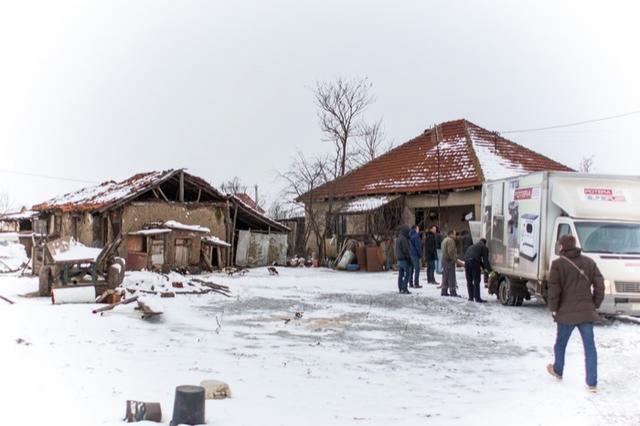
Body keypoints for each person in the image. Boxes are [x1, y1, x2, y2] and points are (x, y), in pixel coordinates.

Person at [546, 234, 604, 392]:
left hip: (566, 313)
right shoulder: (589, 263)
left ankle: (558, 370)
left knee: (561, 343)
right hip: (586, 312)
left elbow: (554, 289)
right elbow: (600, 286)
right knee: (590, 347)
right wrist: (594, 304)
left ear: (562, 247)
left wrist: (554, 308)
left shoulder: (558, 265)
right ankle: (592, 383)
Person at [464, 238, 490, 302]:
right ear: (485, 243)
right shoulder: (484, 248)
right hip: (474, 262)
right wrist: (489, 270)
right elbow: (485, 261)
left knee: (469, 280)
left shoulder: (472, 246)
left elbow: (479, 259)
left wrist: (483, 268)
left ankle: (471, 297)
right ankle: (477, 298)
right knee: (476, 280)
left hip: (466, 262)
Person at [440, 229, 459, 297]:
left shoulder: (444, 240)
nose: (455, 236)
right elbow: (450, 251)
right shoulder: (451, 241)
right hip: (449, 260)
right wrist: (454, 259)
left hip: (444, 260)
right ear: (451, 234)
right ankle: (452, 291)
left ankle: (444, 291)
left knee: (445, 276)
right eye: (454, 234)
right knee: (451, 276)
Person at [394, 225, 412, 294]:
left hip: (399, 259)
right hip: (404, 259)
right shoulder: (404, 239)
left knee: (400, 275)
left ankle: (400, 288)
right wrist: (409, 259)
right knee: (407, 274)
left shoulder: (398, 238)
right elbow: (405, 250)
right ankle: (404, 289)